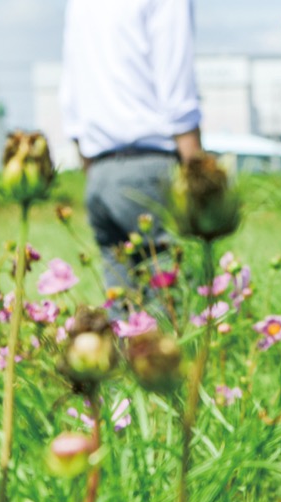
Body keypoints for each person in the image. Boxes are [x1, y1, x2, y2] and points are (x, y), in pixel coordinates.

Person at [60, 0, 203, 309]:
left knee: (125, 315)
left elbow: (71, 98)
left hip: (99, 172)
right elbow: (176, 86)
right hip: (152, 168)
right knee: (178, 312)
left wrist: (94, 171)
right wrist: (199, 178)